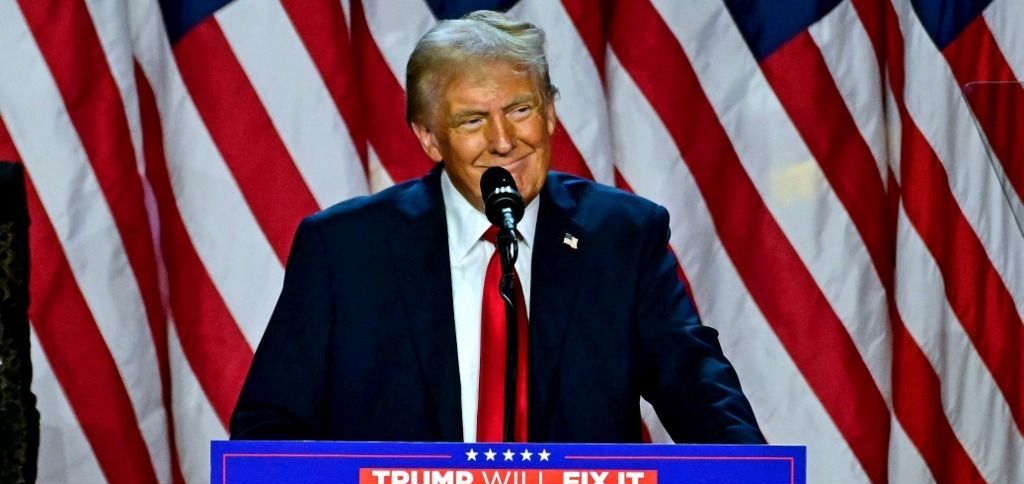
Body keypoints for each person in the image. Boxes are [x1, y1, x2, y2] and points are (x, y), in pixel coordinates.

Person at [230, 10, 764, 445]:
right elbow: (269, 430)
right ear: (429, 138)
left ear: (551, 112)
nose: (504, 141)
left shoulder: (621, 237)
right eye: (471, 120)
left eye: (521, 109)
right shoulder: (345, 251)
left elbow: (698, 391)